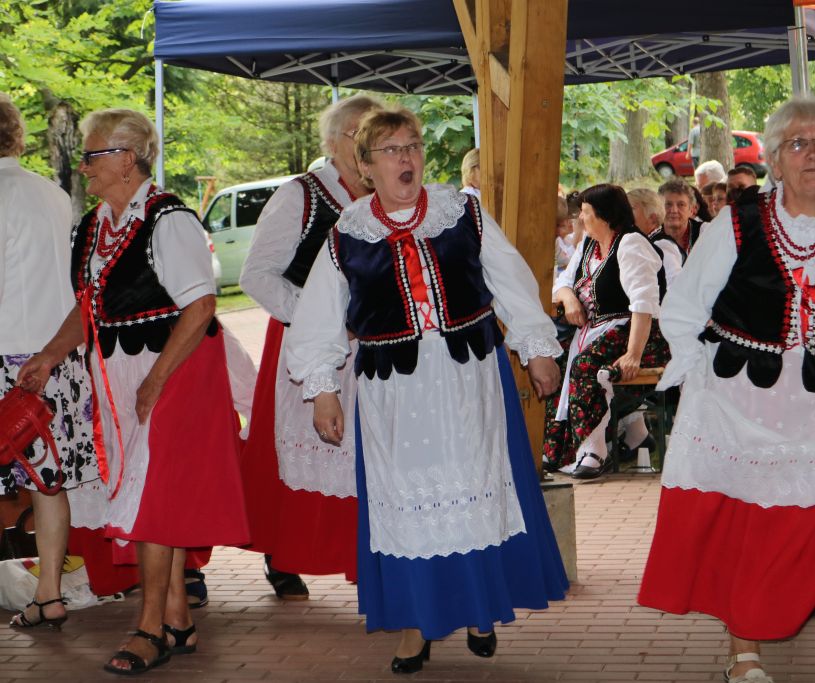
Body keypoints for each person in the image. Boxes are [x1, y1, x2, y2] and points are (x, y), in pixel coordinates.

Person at [285, 106, 568, 674]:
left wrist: (537, 347)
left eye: (412, 145)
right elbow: (317, 320)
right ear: (366, 167)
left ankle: (481, 608)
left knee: (476, 486)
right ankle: (415, 626)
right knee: (408, 505)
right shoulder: (347, 235)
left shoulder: (461, 212)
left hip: (469, 379)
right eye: (391, 150)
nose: (406, 158)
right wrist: (323, 390)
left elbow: (509, 278)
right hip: (395, 394)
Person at [639, 97, 815, 683]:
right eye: (798, 143)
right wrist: (697, 374)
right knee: (751, 524)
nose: (813, 153)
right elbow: (685, 305)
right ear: (776, 161)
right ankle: (745, 654)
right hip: (745, 401)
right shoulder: (738, 222)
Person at [18, 109, 249, 674]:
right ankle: (178, 617)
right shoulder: (94, 225)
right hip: (121, 373)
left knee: (151, 499)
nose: (83, 166)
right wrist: (49, 355)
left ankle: (149, 629)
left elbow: (200, 306)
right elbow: (88, 308)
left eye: (92, 155)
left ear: (127, 159)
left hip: (177, 370)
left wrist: (156, 379)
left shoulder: (168, 219)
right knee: (150, 494)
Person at [238, 95, 379, 599]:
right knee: (301, 451)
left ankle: (369, 559)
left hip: (373, 347)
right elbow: (256, 275)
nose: (367, 146)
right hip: (305, 341)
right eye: (359, 135)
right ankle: (283, 551)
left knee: (369, 453)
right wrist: (321, 320)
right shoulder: (302, 195)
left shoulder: (386, 199)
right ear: (332, 142)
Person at [0, 94, 96, 630]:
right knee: (48, 481)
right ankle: (48, 593)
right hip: (57, 356)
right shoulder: (52, 193)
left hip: (7, 357)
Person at [543, 184, 668, 479]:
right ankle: (560, 449)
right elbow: (563, 282)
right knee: (556, 363)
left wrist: (633, 354)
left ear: (606, 216)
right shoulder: (589, 243)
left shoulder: (631, 244)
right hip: (596, 331)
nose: (580, 218)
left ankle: (594, 451)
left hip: (638, 334)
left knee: (587, 365)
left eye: (586, 212)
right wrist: (570, 299)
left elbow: (643, 304)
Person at [628, 187, 683, 284]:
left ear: (652, 218)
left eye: (631, 209)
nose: (625, 215)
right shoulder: (644, 242)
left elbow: (675, 285)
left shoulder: (662, 246)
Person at [658, 179, 701, 255]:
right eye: (668, 204)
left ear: (691, 210)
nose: (674, 210)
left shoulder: (703, 233)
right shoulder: (650, 240)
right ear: (658, 208)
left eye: (681, 205)